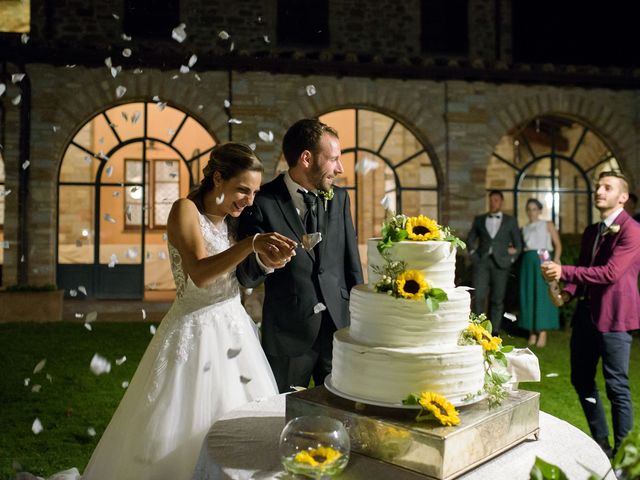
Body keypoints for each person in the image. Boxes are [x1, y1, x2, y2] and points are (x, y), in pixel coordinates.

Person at [72, 143, 295, 480]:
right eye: (242, 190)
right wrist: (250, 245)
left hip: (235, 331)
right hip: (194, 330)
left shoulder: (234, 221)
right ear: (218, 178)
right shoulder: (184, 210)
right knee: (178, 424)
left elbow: (241, 274)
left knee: (242, 424)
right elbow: (201, 274)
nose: (249, 200)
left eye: (254, 192)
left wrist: (267, 261)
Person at [237, 118, 363, 393]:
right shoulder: (262, 201)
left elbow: (351, 265)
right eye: (333, 160)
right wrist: (264, 261)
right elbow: (245, 274)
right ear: (306, 158)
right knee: (280, 415)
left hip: (338, 332)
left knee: (343, 412)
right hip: (288, 334)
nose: (340, 169)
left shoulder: (340, 199)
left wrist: (358, 324)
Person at [542, 171, 640, 457]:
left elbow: (610, 273)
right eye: (598, 186)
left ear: (622, 197)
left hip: (615, 317)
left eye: (607, 187)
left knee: (617, 386)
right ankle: (601, 444)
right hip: (586, 317)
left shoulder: (632, 230)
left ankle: (625, 455)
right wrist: (566, 292)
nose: (599, 191)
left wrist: (563, 270)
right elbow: (583, 271)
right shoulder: (591, 231)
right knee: (581, 380)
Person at [467, 190, 523, 335]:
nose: (493, 203)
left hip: (502, 264)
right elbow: (470, 239)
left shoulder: (510, 221)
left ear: (501, 202)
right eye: (491, 200)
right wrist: (474, 255)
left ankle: (495, 331)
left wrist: (511, 259)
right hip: (482, 263)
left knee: (497, 300)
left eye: (496, 200)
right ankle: (478, 329)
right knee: (479, 296)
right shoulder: (479, 219)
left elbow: (518, 245)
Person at [518, 198, 562, 347]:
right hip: (528, 260)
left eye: (534, 209)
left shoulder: (547, 224)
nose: (531, 212)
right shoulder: (524, 228)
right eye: (529, 209)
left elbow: (558, 245)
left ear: (540, 211)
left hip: (543, 256)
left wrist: (555, 261)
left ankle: (542, 331)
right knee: (529, 294)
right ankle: (532, 330)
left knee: (543, 294)